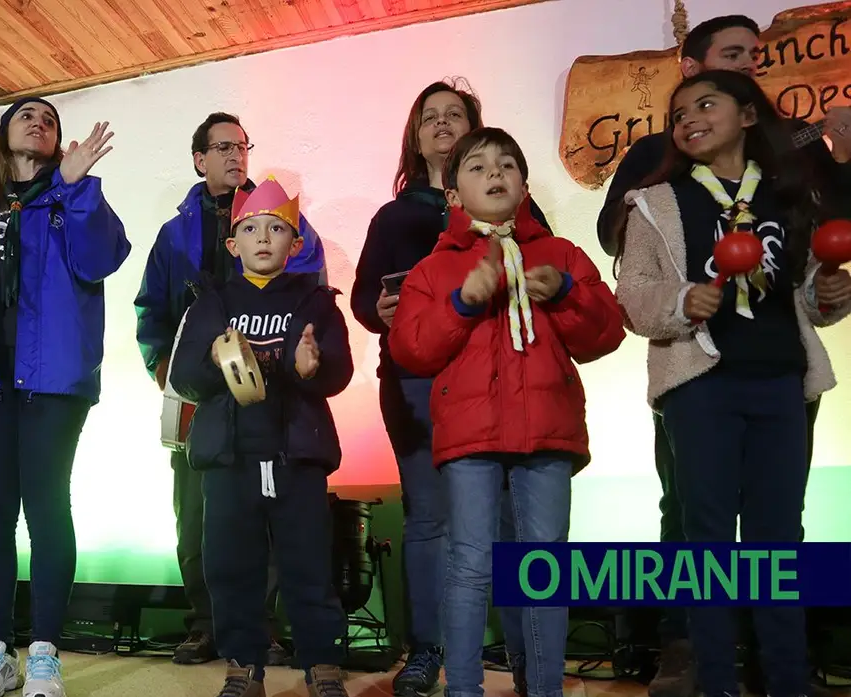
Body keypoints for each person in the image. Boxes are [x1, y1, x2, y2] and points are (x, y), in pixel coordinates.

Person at [594, 16, 851, 697]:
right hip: (699, 385)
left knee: (778, 540)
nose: (688, 119)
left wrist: (830, 291)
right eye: (679, 113)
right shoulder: (653, 201)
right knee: (705, 537)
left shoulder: (787, 194)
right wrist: (684, 301)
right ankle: (714, 680)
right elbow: (635, 296)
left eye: (705, 105)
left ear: (746, 112)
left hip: (781, 383)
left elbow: (807, 296)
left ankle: (789, 678)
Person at [389, 128, 625, 697]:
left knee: (544, 568)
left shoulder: (562, 256)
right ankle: (463, 688)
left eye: (507, 165)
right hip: (469, 437)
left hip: (548, 432)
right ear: (453, 195)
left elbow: (607, 332)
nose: (494, 174)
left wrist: (566, 293)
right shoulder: (433, 270)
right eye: (476, 167)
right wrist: (463, 302)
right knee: (469, 564)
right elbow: (411, 348)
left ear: (522, 185)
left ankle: (542, 688)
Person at [0, 96, 130, 697]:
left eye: (49, 120)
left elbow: (99, 260)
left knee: (46, 506)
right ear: (4, 134)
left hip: (55, 375)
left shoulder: (75, 191)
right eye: (26, 116)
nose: (38, 123)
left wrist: (73, 187)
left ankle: (43, 651)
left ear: (58, 144)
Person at [349, 80, 542, 697]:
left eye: (453, 115)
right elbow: (361, 302)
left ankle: (523, 651)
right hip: (414, 381)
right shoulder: (393, 215)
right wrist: (382, 309)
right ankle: (426, 650)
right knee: (428, 519)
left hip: (498, 378)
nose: (440, 124)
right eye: (429, 117)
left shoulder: (516, 211)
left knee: (512, 520)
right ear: (415, 134)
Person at [133, 112, 325, 666]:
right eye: (221, 147)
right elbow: (150, 308)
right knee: (195, 515)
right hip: (201, 396)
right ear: (199, 159)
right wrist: (167, 371)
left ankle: (258, 625)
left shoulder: (282, 222)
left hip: (273, 397)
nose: (235, 155)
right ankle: (204, 623)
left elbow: (310, 284)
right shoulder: (174, 235)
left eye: (242, 145)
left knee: (264, 511)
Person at [169, 176, 353, 697]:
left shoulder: (316, 301)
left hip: (296, 454)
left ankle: (322, 663)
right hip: (230, 459)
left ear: (296, 244)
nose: (265, 237)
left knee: (309, 564)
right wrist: (210, 361)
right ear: (234, 244)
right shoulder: (210, 302)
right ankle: (243, 665)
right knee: (230, 567)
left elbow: (336, 373)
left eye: (278, 229)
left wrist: (311, 367)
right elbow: (182, 379)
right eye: (252, 228)